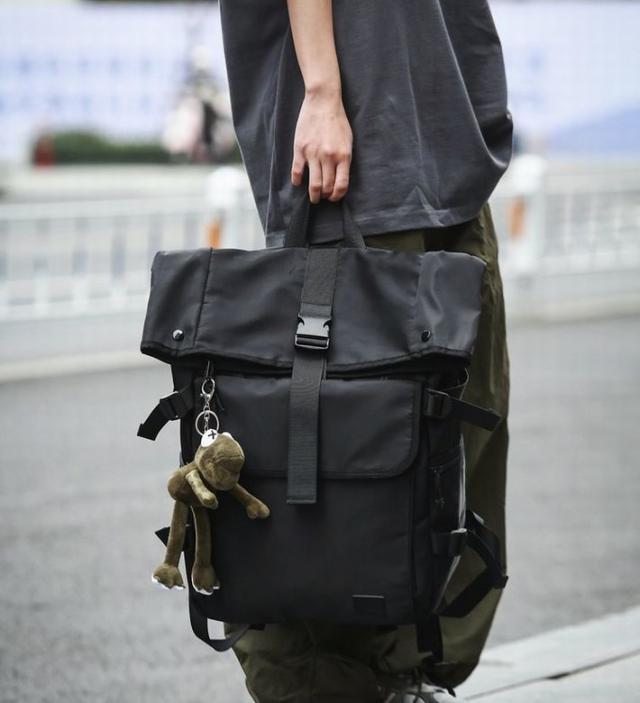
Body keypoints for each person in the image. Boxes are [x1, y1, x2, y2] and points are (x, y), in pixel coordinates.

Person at [218, 2, 513, 701]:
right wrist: (323, 91)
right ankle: (330, 682)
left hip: (447, 138)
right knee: (350, 447)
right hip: (355, 142)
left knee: (465, 428)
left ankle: (411, 669)